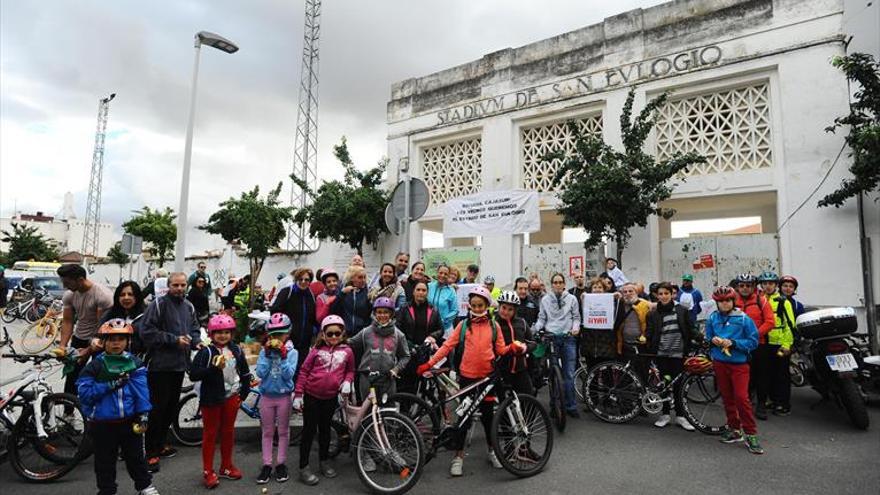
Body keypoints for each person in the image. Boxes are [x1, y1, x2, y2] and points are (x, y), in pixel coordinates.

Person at [417, 286, 523, 476]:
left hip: (487, 379)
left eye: (480, 305)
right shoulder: (463, 325)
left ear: (486, 306)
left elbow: (500, 350)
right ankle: (458, 457)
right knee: (464, 420)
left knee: (489, 418)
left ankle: (493, 452)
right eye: (473, 305)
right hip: (467, 378)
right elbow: (447, 346)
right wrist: (429, 363)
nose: (476, 308)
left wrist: (512, 348)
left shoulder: (494, 326)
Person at [77, 319, 158, 495]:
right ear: (103, 341)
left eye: (121, 339)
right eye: (111, 339)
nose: (116, 343)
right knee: (104, 462)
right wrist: (109, 385)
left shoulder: (135, 364)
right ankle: (107, 491)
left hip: (129, 421)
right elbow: (85, 395)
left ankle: (145, 487)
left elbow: (142, 393)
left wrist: (143, 414)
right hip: (102, 423)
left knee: (136, 458)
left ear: (128, 342)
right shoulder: (95, 366)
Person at [140, 272, 201, 472]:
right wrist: (173, 340)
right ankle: (150, 452)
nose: (180, 289)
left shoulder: (189, 306)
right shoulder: (157, 305)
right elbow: (146, 332)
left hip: (179, 365)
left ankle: (160, 444)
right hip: (159, 366)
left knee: (170, 408)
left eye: (183, 285)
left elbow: (194, 328)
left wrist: (197, 341)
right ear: (168, 286)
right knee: (157, 409)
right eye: (176, 285)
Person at [189, 314, 251, 488]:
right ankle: (208, 471)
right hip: (211, 399)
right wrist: (212, 368)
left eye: (226, 332)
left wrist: (244, 392)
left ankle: (226, 466)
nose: (222, 336)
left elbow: (244, 372)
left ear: (231, 333)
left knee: (228, 432)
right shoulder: (206, 352)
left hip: (231, 397)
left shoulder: (236, 350)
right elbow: (193, 374)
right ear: (211, 334)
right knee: (210, 434)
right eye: (218, 332)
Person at [293, 315, 355, 485]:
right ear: (323, 334)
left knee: (326, 430)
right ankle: (303, 467)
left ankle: (324, 460)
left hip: (330, 398)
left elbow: (350, 371)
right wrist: (298, 394)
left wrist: (348, 382)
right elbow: (304, 371)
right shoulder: (316, 351)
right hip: (312, 396)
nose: (334, 337)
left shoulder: (347, 352)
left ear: (342, 333)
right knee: (309, 431)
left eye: (337, 333)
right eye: (330, 333)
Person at [704, 286, 762, 454]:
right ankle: (735, 430)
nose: (724, 304)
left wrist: (734, 343)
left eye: (727, 300)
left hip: (739, 365)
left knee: (741, 398)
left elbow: (753, 342)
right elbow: (708, 337)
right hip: (720, 363)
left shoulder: (744, 319)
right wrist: (712, 340)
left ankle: (751, 433)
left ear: (733, 301)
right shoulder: (712, 318)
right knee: (727, 398)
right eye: (721, 301)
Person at [53, 264, 114, 402]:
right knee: (72, 375)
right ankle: (68, 411)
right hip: (79, 336)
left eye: (67, 282)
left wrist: (88, 350)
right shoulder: (70, 295)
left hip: (99, 339)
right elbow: (68, 321)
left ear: (80, 280)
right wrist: (62, 346)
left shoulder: (102, 295)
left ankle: (96, 413)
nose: (65, 286)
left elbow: (101, 327)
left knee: (98, 376)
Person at [254, 313, 299, 485]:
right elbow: (259, 373)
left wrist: (283, 357)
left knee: (283, 431)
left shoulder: (292, 352)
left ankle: (281, 463)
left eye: (281, 334)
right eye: (273, 334)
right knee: (267, 432)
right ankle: (266, 464)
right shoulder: (264, 351)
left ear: (288, 333)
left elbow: (289, 375)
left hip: (284, 397)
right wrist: (266, 355)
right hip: (267, 396)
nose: (277, 338)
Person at [646, 282, 695, 430]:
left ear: (672, 294)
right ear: (657, 296)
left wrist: (702, 339)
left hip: (678, 354)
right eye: (660, 294)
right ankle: (665, 414)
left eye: (666, 293)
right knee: (664, 385)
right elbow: (649, 332)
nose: (663, 296)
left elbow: (690, 329)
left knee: (679, 386)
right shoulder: (652, 314)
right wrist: (647, 341)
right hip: (661, 354)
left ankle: (681, 416)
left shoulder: (682, 310)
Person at [534, 273, 581, 417]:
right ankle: (554, 405)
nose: (558, 285)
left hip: (568, 338)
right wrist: (535, 330)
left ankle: (571, 406)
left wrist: (576, 328)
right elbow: (542, 318)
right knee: (554, 374)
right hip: (552, 338)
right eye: (555, 282)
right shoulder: (545, 300)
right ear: (551, 284)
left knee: (569, 373)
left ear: (564, 284)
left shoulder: (572, 299)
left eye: (560, 282)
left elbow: (576, 317)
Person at [349, 297, 410, 401]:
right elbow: (351, 343)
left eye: (386, 312)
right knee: (368, 411)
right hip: (367, 378)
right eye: (379, 312)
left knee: (387, 410)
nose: (382, 315)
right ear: (375, 313)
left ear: (391, 314)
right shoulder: (366, 332)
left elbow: (405, 356)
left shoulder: (398, 335)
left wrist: (396, 369)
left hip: (387, 379)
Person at [732, 273, 775, 420]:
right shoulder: (732, 301)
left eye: (748, 285)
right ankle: (746, 402)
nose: (745, 288)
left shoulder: (761, 300)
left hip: (759, 344)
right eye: (742, 285)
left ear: (753, 287)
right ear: (737, 287)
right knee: (743, 375)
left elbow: (770, 322)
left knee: (761, 375)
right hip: (739, 345)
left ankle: (761, 405)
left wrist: (754, 335)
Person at [758, 271, 796, 416]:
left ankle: (783, 403)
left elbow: (790, 325)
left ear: (775, 285)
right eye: (765, 283)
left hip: (779, 344)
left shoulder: (783, 301)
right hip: (764, 343)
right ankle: (772, 400)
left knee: (782, 374)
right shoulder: (759, 300)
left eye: (771, 284)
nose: (768, 286)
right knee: (767, 373)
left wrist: (787, 344)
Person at [395, 280, 444, 393]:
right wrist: (408, 344)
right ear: (413, 292)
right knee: (407, 384)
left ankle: (423, 408)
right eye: (418, 290)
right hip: (408, 352)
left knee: (425, 386)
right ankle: (405, 409)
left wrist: (432, 337)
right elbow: (397, 328)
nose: (421, 292)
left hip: (425, 352)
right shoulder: (405, 308)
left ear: (427, 293)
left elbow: (440, 329)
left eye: (424, 290)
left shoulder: (433, 309)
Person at [270, 268, 317, 372]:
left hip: (305, 341)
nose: (303, 282)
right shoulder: (287, 292)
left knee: (301, 370)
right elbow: (274, 310)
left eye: (307, 279)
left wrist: (313, 329)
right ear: (296, 279)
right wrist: (283, 331)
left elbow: (313, 315)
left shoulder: (310, 295)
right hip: (288, 340)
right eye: (301, 279)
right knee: (286, 368)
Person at [494, 291, 536, 395]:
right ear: (499, 307)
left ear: (515, 310)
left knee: (528, 398)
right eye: (504, 308)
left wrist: (524, 348)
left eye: (510, 309)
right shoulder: (493, 324)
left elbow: (533, 343)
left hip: (520, 370)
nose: (506, 312)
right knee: (503, 406)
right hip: (501, 371)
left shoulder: (521, 323)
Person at [581, 277, 618, 369]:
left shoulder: (612, 301)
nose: (597, 290)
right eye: (595, 287)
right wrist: (582, 301)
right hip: (590, 343)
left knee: (607, 374)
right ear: (591, 290)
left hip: (606, 343)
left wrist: (617, 300)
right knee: (591, 373)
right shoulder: (586, 301)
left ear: (604, 289)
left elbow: (616, 317)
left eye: (600, 287)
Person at [613, 283, 650, 360]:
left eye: (630, 291)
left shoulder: (645, 304)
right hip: (625, 344)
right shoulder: (620, 306)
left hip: (641, 344)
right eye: (625, 292)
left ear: (636, 293)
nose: (628, 294)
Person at [332, 265, 372, 336]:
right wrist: (342, 294)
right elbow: (334, 310)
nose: (363, 280)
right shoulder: (343, 291)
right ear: (352, 278)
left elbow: (369, 314)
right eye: (360, 277)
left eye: (364, 277)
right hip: (344, 333)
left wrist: (365, 328)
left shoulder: (367, 293)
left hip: (361, 333)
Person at [427, 264, 458, 337]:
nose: (442, 275)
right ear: (437, 273)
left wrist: (443, 320)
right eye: (440, 273)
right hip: (429, 327)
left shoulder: (451, 290)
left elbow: (455, 310)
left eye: (445, 274)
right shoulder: (429, 286)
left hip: (446, 329)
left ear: (448, 276)